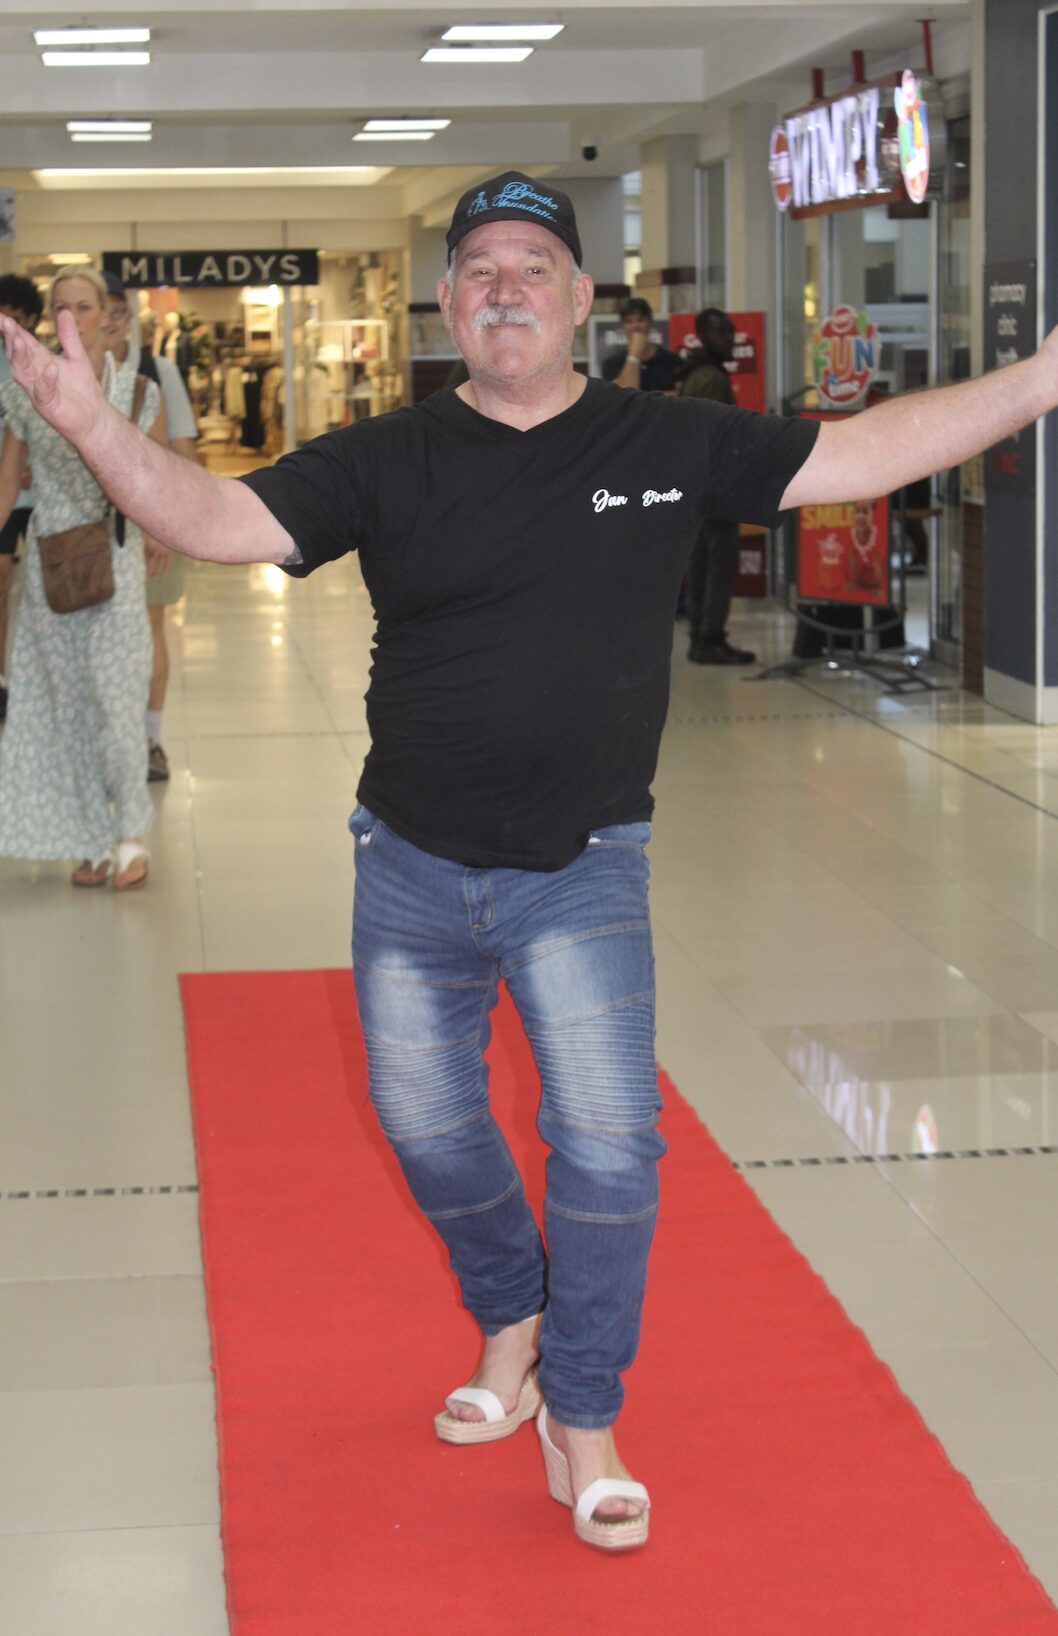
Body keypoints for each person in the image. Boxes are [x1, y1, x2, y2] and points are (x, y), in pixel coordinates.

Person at [4, 171, 1058, 1550]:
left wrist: (1041, 376)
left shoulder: (666, 435)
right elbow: (214, 521)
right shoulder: (389, 454)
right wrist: (90, 425)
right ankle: (511, 1308)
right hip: (409, 860)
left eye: (532, 266)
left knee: (609, 1147)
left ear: (578, 302)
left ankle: (581, 1408)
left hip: (584, 864)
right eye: (481, 268)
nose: (505, 287)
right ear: (451, 303)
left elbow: (862, 454)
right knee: (426, 1127)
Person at [0, 266, 167, 889]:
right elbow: (8, 478)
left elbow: (159, 476)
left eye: (85, 306)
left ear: (107, 315)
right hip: (52, 568)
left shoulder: (137, 392)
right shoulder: (28, 390)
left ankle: (131, 833)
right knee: (67, 708)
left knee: (118, 702)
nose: (73, 317)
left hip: (116, 560)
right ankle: (91, 835)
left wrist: (162, 532)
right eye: (61, 307)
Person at [101, 272, 199, 782]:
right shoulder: (65, 373)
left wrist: (173, 525)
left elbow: (182, 449)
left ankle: (150, 740)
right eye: (97, 309)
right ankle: (103, 742)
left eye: (117, 310)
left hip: (151, 527)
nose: (108, 320)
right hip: (85, 536)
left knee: (149, 629)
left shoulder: (158, 371)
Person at [678, 308, 757, 664]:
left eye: (730, 331)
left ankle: (702, 635)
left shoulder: (699, 373)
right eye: (721, 332)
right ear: (704, 335)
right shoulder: (709, 378)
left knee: (702, 562)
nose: (729, 339)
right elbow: (710, 438)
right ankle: (709, 637)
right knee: (718, 563)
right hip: (714, 489)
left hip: (700, 488)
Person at [0, 273, 44, 718]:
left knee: (47, 590)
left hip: (45, 499)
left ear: (30, 318)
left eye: (11, 317)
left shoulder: (46, 362)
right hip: (3, 494)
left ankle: (43, 680)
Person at [602, 296, 680, 393]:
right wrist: (634, 355)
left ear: (650, 322)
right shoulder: (612, 364)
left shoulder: (672, 361)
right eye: (629, 322)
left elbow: (678, 396)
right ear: (623, 327)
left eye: (640, 320)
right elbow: (624, 398)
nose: (635, 326)